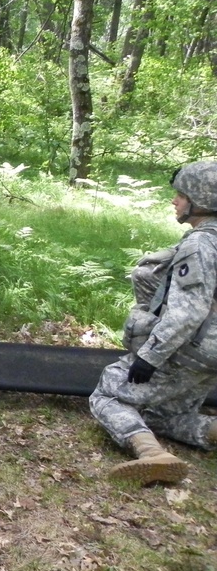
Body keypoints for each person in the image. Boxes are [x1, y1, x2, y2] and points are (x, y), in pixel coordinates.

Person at [89, 161, 217, 486]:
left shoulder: (200, 245)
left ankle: (152, 455)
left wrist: (150, 356)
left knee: (108, 394)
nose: (175, 201)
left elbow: (189, 311)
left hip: (192, 350)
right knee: (166, 415)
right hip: (210, 357)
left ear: (201, 200)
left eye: (181, 195)